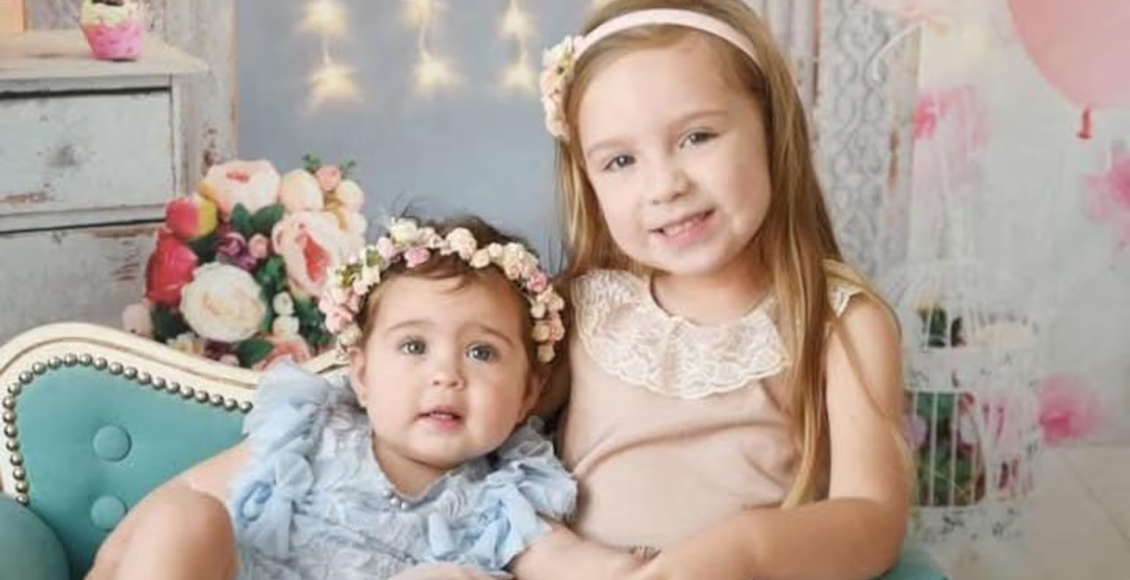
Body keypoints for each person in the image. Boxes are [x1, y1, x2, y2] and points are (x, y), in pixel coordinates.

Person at [529, 1, 913, 578]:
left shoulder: (839, 324)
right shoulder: (583, 310)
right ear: (588, 180)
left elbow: (874, 517)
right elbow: (478, 445)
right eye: (621, 160)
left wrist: (745, 549)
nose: (665, 185)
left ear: (771, 129)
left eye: (697, 136)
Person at [87, 216, 642, 580]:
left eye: (482, 352)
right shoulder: (313, 432)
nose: (445, 375)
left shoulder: (503, 495)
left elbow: (565, 561)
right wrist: (108, 566)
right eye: (414, 346)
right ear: (362, 376)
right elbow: (185, 492)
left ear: (527, 394)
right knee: (188, 518)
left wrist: (651, 568)